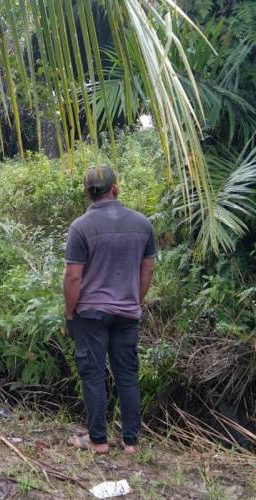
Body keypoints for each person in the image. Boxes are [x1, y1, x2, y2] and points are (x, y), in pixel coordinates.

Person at [63, 164, 156, 454]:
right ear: (115, 188)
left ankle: (98, 440)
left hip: (90, 313)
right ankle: (131, 443)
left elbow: (73, 276)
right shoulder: (142, 224)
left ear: (87, 193)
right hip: (127, 312)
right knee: (127, 374)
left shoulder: (81, 227)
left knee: (93, 374)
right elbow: (147, 271)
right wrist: (134, 302)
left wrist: (70, 312)